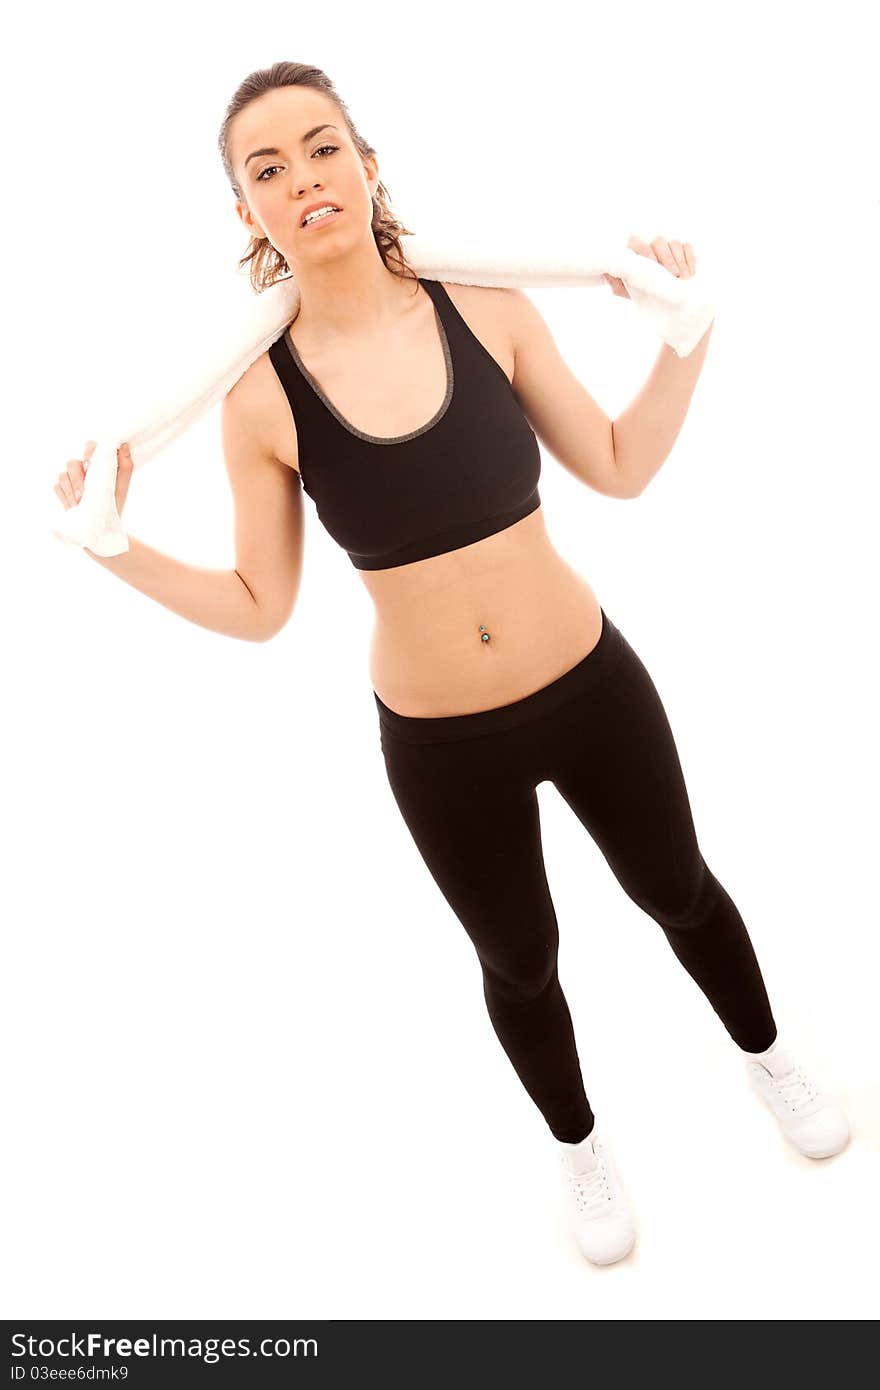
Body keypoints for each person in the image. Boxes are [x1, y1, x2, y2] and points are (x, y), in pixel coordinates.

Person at [56, 62, 850, 1269]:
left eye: (321, 148)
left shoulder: (487, 307)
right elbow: (261, 605)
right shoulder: (257, 404)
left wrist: (686, 337)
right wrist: (114, 550)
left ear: (367, 166)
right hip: (439, 739)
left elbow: (623, 463)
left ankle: (768, 1057)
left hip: (589, 685)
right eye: (264, 169)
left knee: (678, 889)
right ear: (246, 216)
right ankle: (579, 1143)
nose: (300, 177)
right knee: (519, 959)